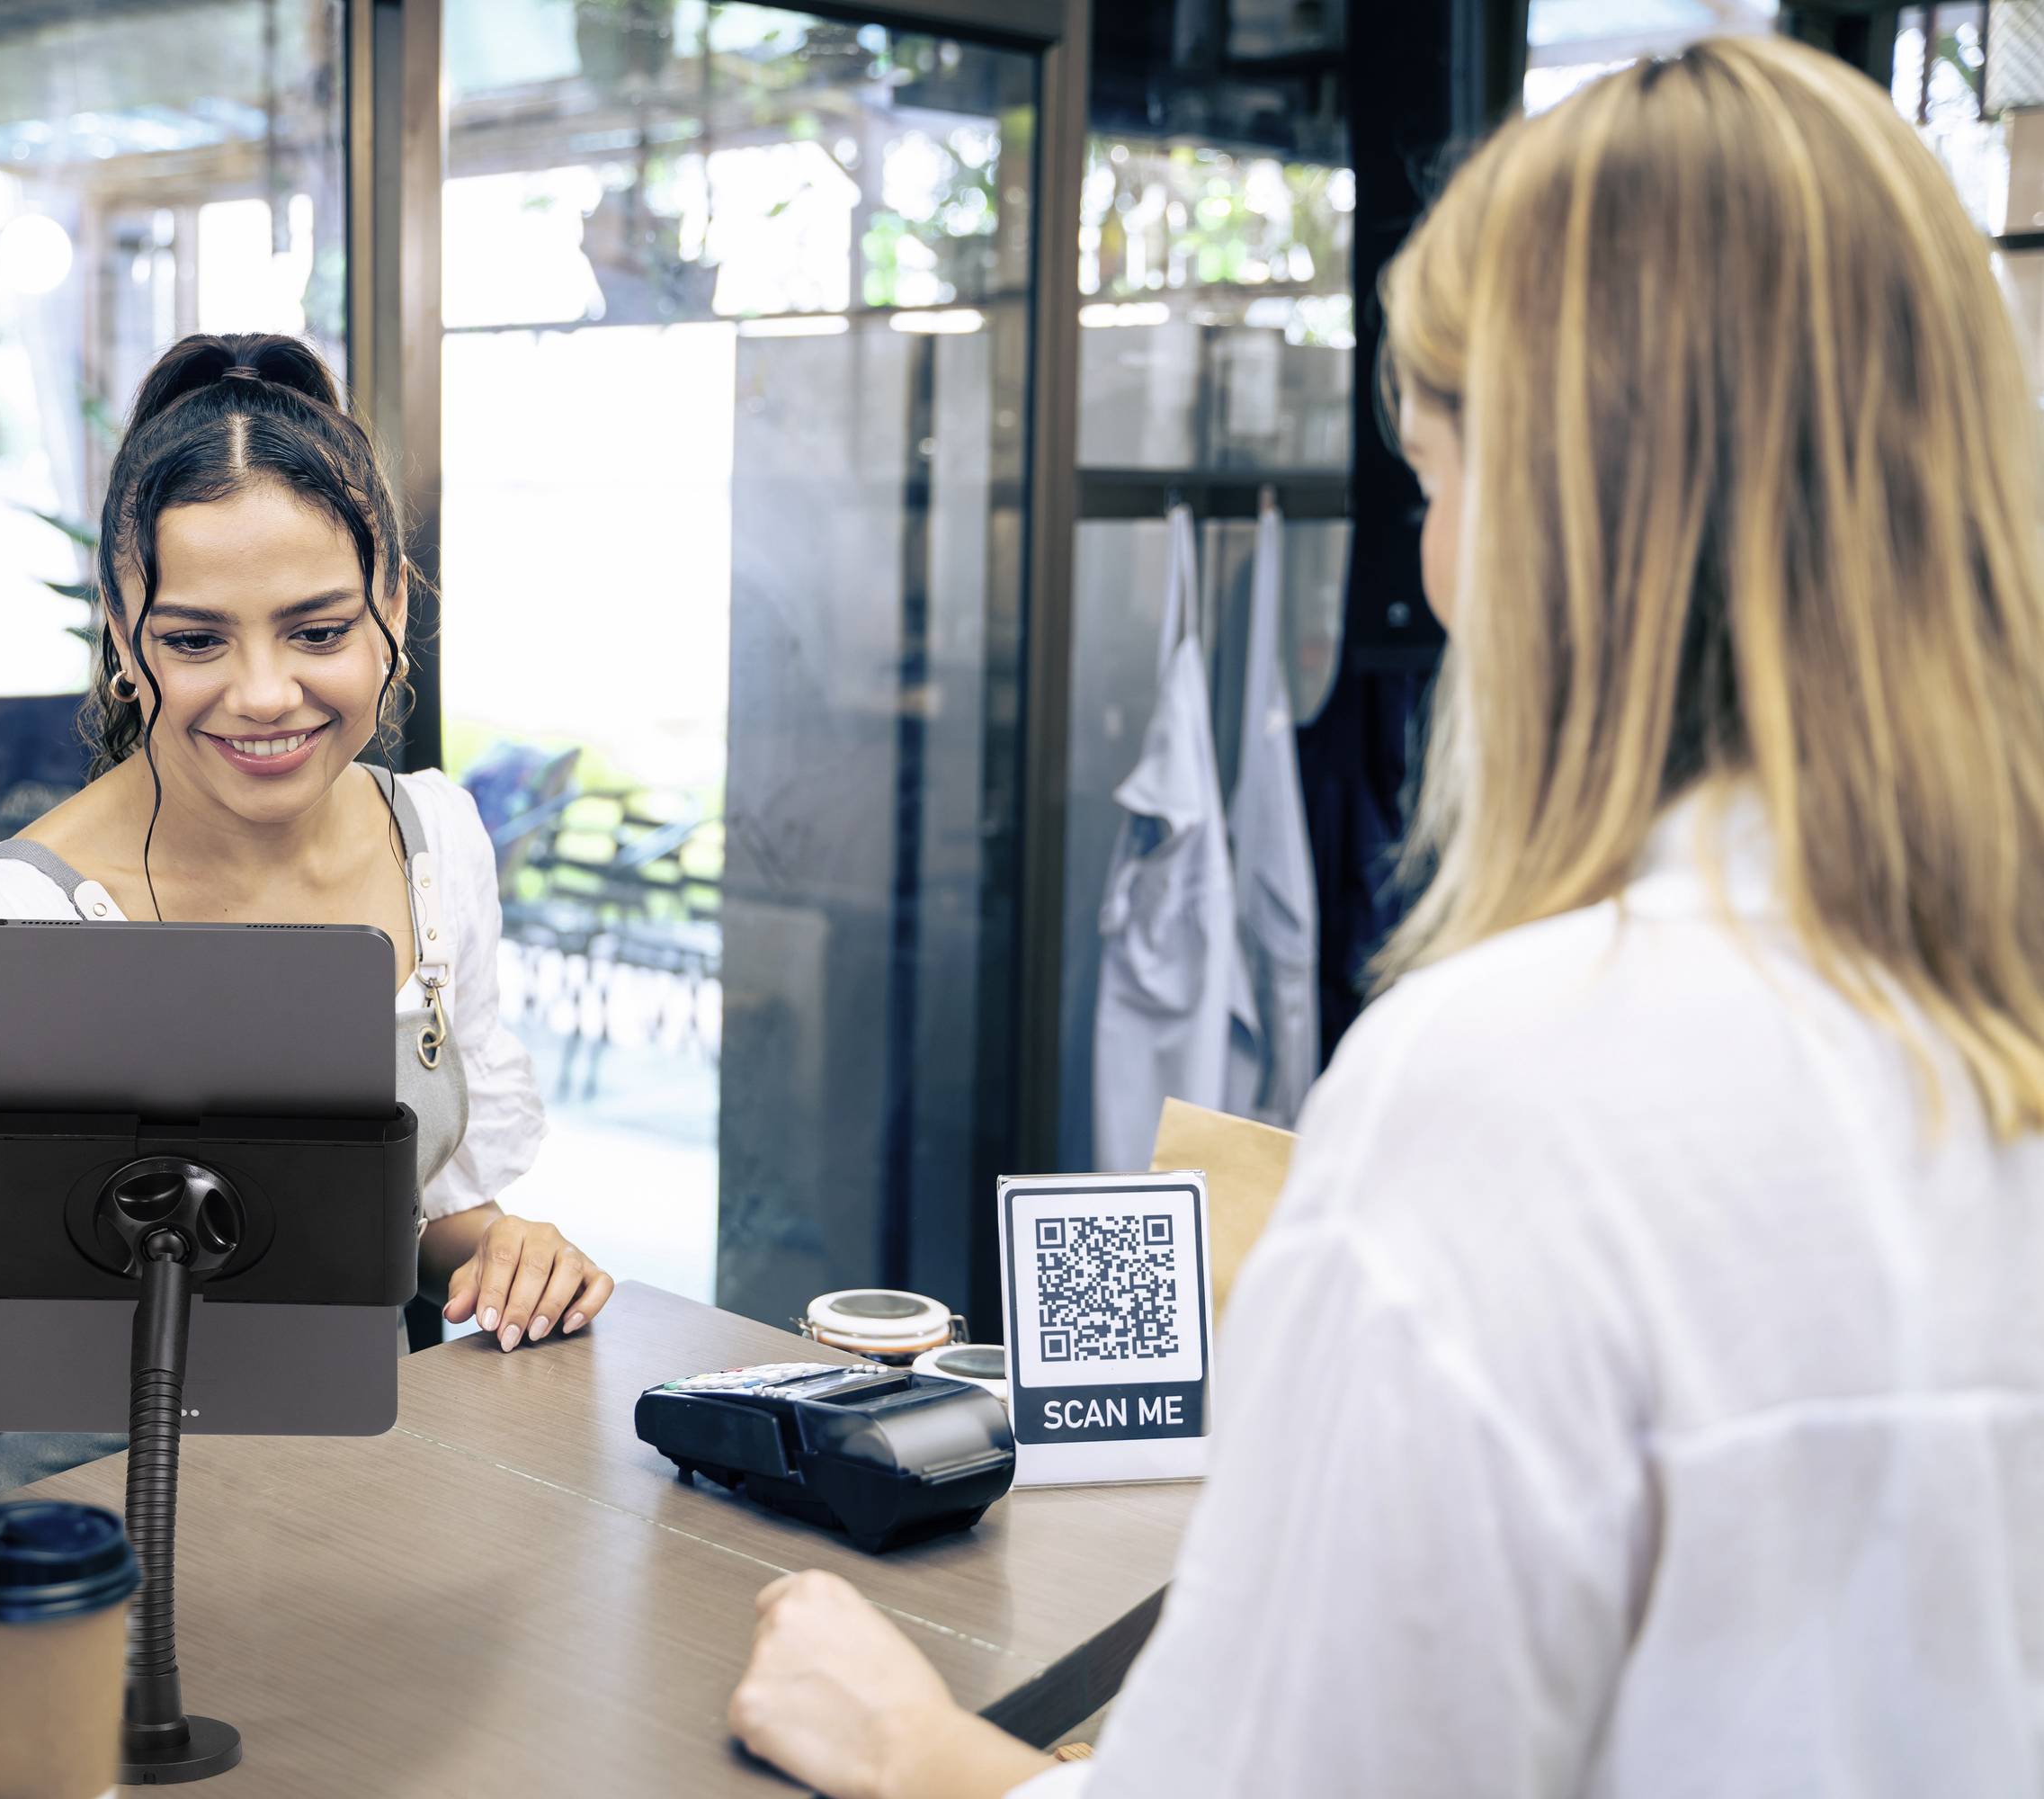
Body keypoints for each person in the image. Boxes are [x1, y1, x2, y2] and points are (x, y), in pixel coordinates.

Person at [731, 36, 2044, 1798]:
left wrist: (912, 1748)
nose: (1432, 564)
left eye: (1436, 483)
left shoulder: (1526, 1095)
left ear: (1582, 523)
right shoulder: (1970, 1027)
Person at [0, 333, 613, 1488]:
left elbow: (425, 1211)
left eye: (320, 630)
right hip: (90, 1546)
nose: (263, 695)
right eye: (195, 639)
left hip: (384, 1503)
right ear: (121, 626)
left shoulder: (434, 843)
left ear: (393, 596)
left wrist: (508, 1252)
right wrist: (109, 1330)